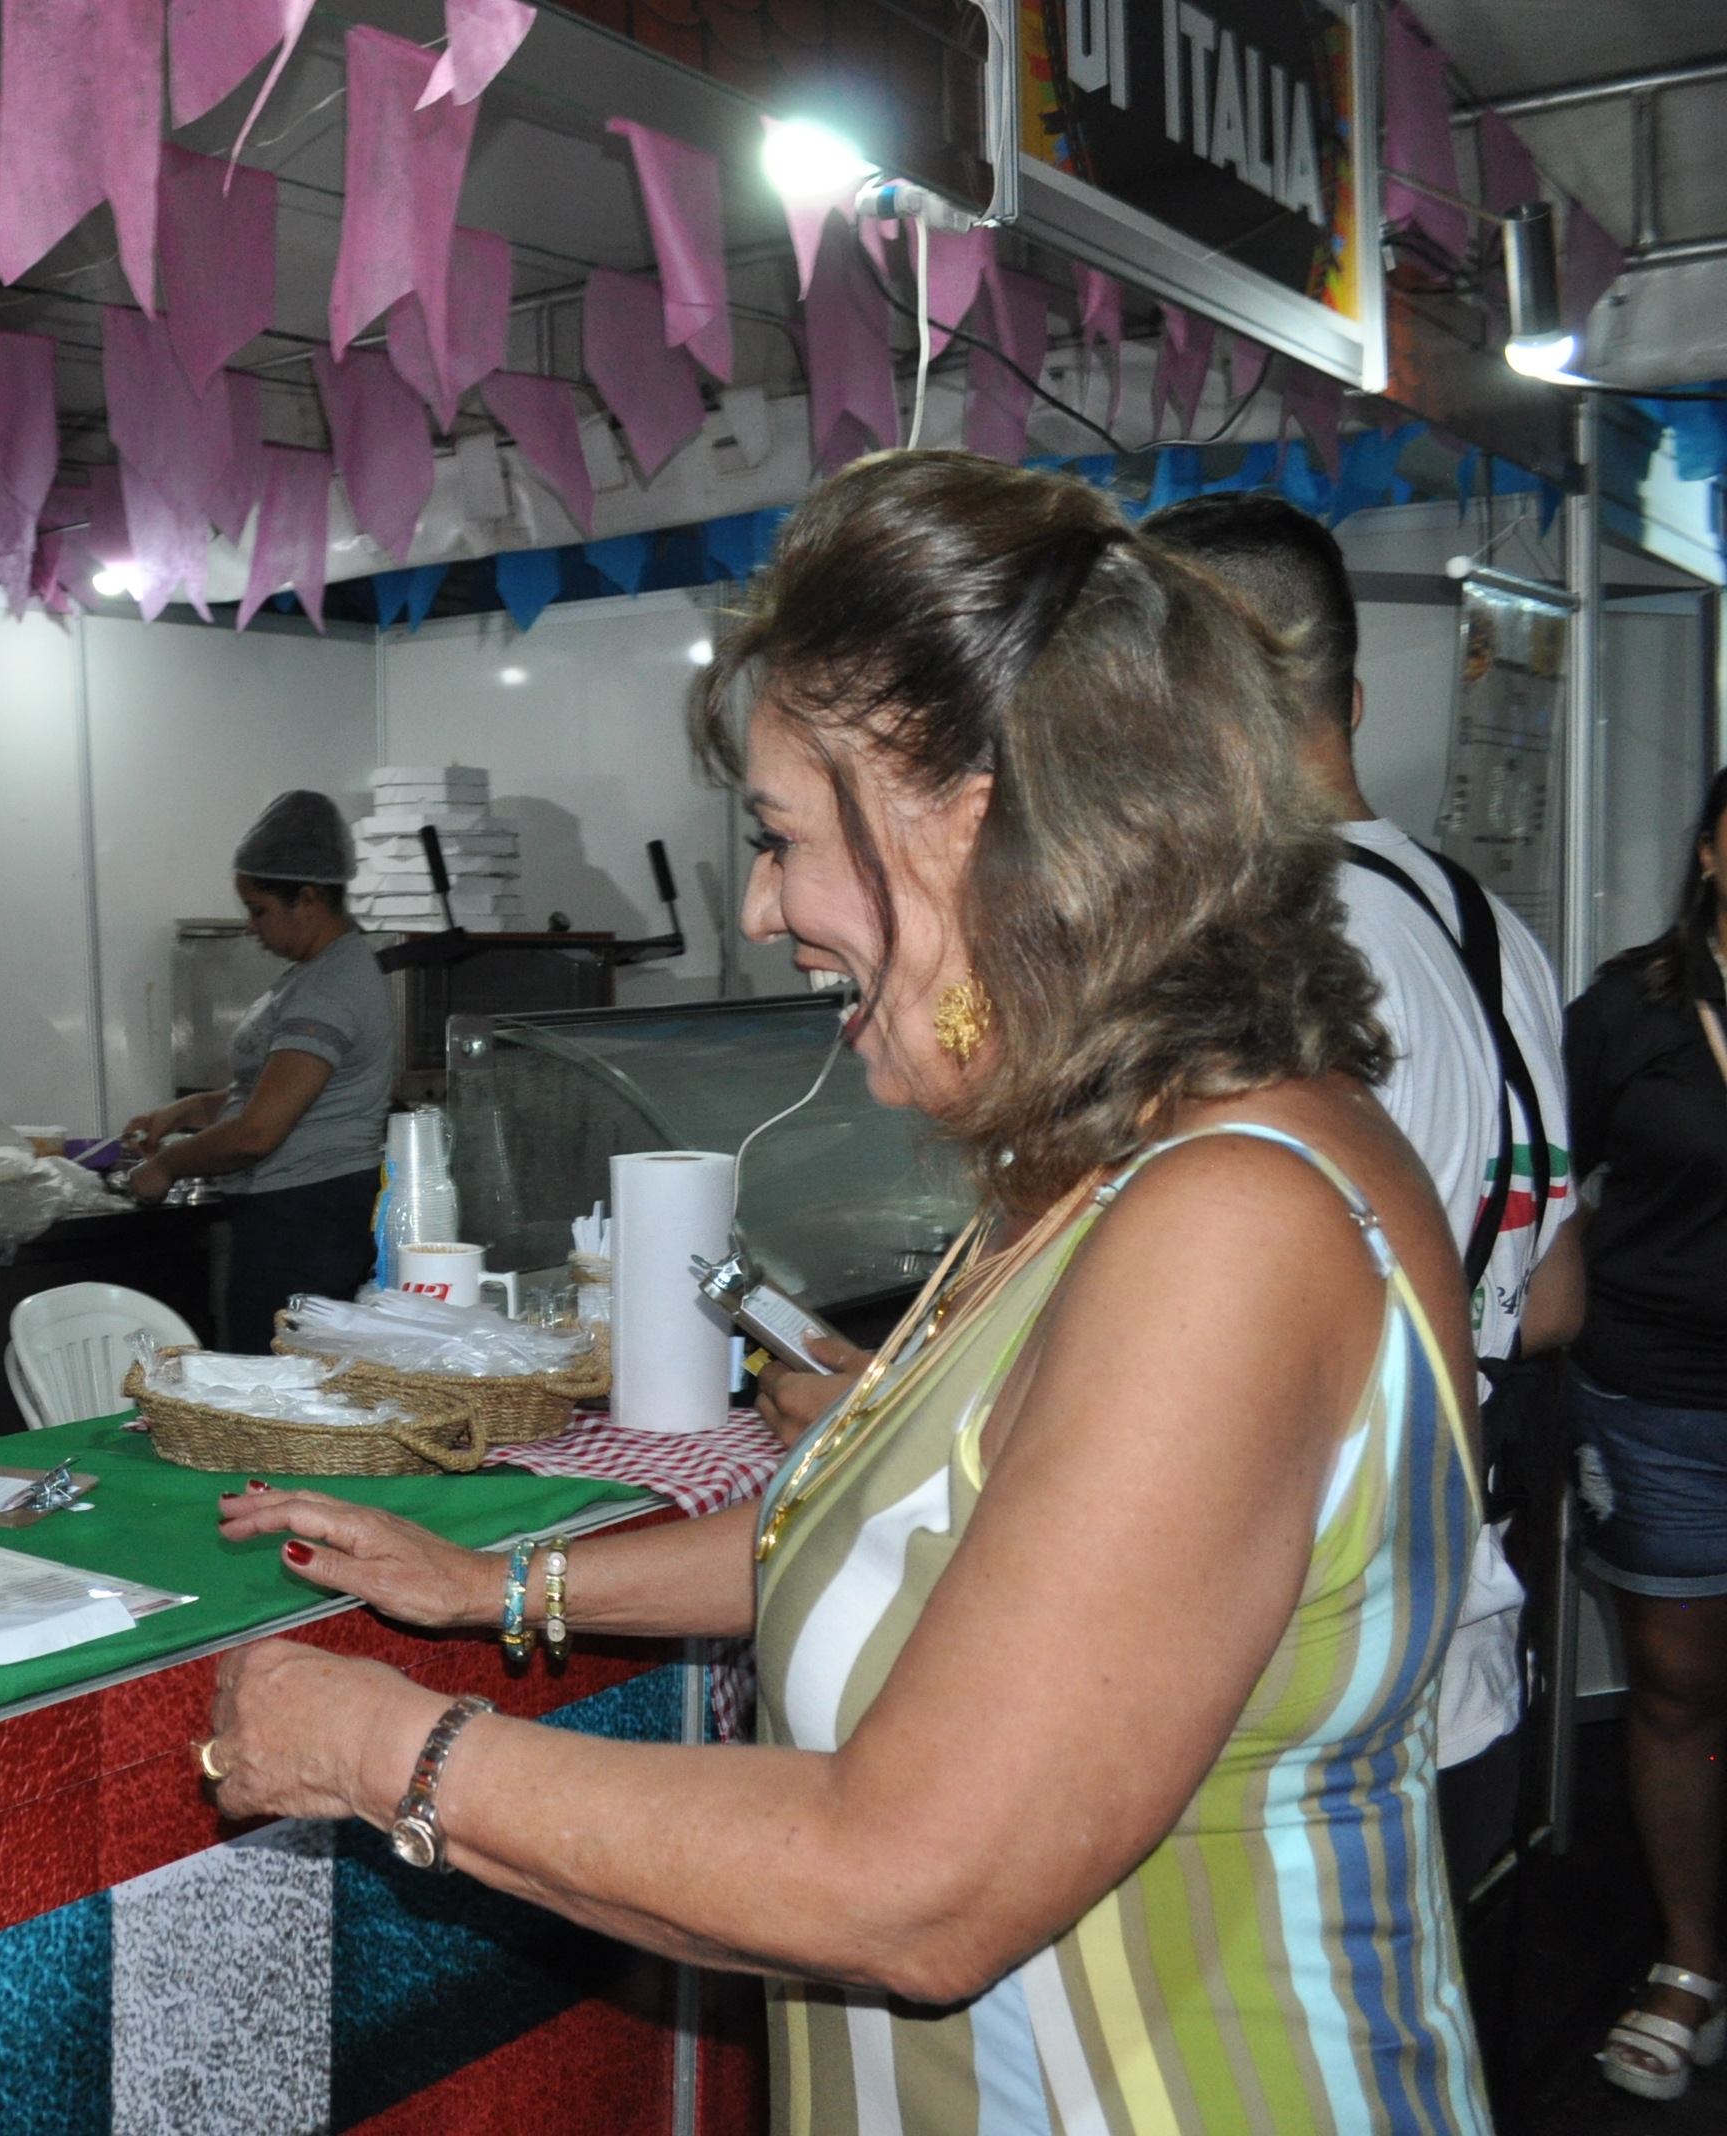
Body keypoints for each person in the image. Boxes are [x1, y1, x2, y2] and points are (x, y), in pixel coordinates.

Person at [203, 453, 1491, 2131]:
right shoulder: (1096, 1173)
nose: (759, 907)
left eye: (784, 837)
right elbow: (927, 1543)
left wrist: (391, 1755)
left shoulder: (1227, 1223)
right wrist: (500, 1594)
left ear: (982, 825)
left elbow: (914, 1878)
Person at [1142, 490, 1571, 1889]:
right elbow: (1550, 1291)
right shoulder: (1485, 923)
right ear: (1351, 693)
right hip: (1464, 1652)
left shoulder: (1278, 949)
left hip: (1314, 1693)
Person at [1561, 766, 1727, 2100]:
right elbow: (1542, 1181)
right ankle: (1688, 1961)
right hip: (1658, 1399)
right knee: (1674, 1685)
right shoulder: (1632, 1009)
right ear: (1714, 851)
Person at [120, 791, 392, 1347]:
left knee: (274, 1388)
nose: (250, 927)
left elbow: (259, 1132)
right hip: (291, 1219)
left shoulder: (331, 988)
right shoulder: (312, 973)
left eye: (260, 909)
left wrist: (168, 1166)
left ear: (309, 899)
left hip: (308, 1224)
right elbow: (272, 1089)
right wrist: (191, 1109)